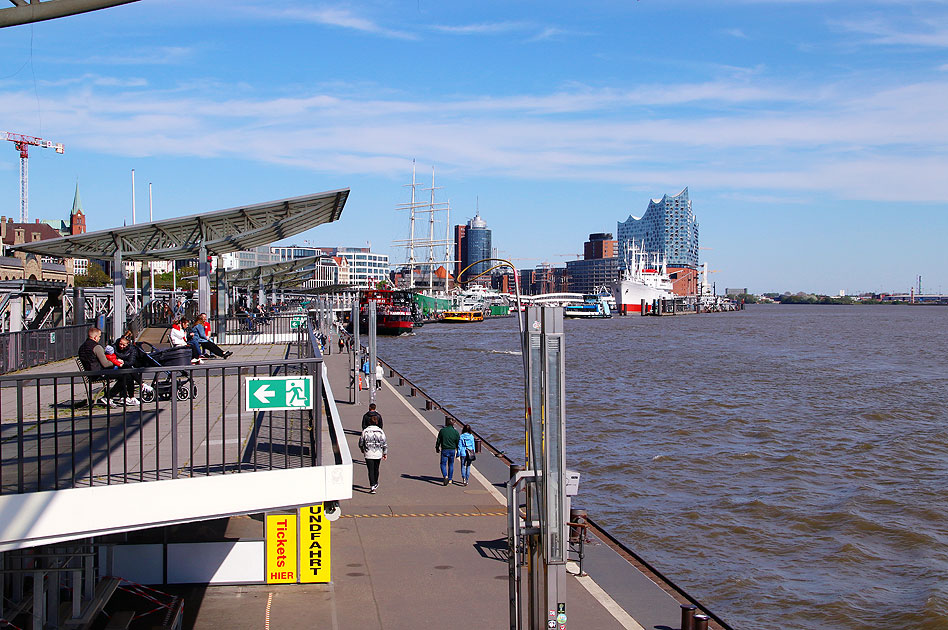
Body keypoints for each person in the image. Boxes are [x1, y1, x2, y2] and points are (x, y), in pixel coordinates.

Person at [76, 326, 135, 406]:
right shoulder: (96, 347)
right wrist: (116, 362)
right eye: (99, 336)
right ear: (95, 337)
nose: (99, 338)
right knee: (126, 376)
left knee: (124, 374)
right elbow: (105, 364)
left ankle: (119, 397)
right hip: (98, 373)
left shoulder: (82, 347)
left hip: (89, 374)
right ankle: (109, 396)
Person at [358, 415, 387, 494]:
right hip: (378, 453)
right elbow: (384, 443)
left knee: (370, 470)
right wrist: (384, 453)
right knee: (376, 469)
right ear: (377, 422)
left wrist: (362, 449)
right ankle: (376, 482)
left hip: (368, 453)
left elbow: (361, 442)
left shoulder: (365, 431)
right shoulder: (380, 431)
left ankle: (372, 486)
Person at [435, 418, 460, 486]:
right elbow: (458, 442)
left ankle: (445, 476)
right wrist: (458, 450)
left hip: (444, 449)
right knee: (451, 464)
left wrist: (437, 447)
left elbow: (438, 440)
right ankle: (450, 479)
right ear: (453, 424)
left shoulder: (442, 431)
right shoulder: (456, 432)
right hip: (452, 450)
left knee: (443, 464)